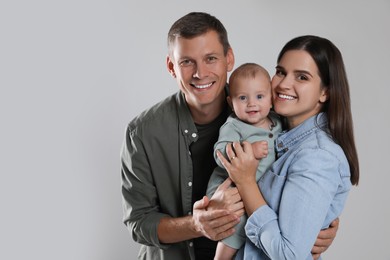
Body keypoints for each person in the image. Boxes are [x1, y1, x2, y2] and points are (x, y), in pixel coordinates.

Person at [121, 12, 338, 260]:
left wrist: (321, 222)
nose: (200, 73)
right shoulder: (143, 133)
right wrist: (197, 224)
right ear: (172, 67)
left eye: (210, 59)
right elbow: (139, 222)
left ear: (229, 58)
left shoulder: (268, 114)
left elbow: (303, 180)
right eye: (187, 62)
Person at [217, 35, 360, 259]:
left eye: (302, 77)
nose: (283, 84)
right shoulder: (276, 132)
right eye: (281, 72)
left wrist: (246, 182)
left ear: (325, 92)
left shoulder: (317, 157)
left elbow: (289, 255)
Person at [206, 63, 282, 259]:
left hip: (255, 190)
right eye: (243, 98)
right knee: (237, 222)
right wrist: (249, 149)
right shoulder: (234, 126)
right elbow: (219, 152)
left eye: (259, 96)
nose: (252, 104)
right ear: (231, 102)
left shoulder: (278, 122)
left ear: (271, 98)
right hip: (230, 189)